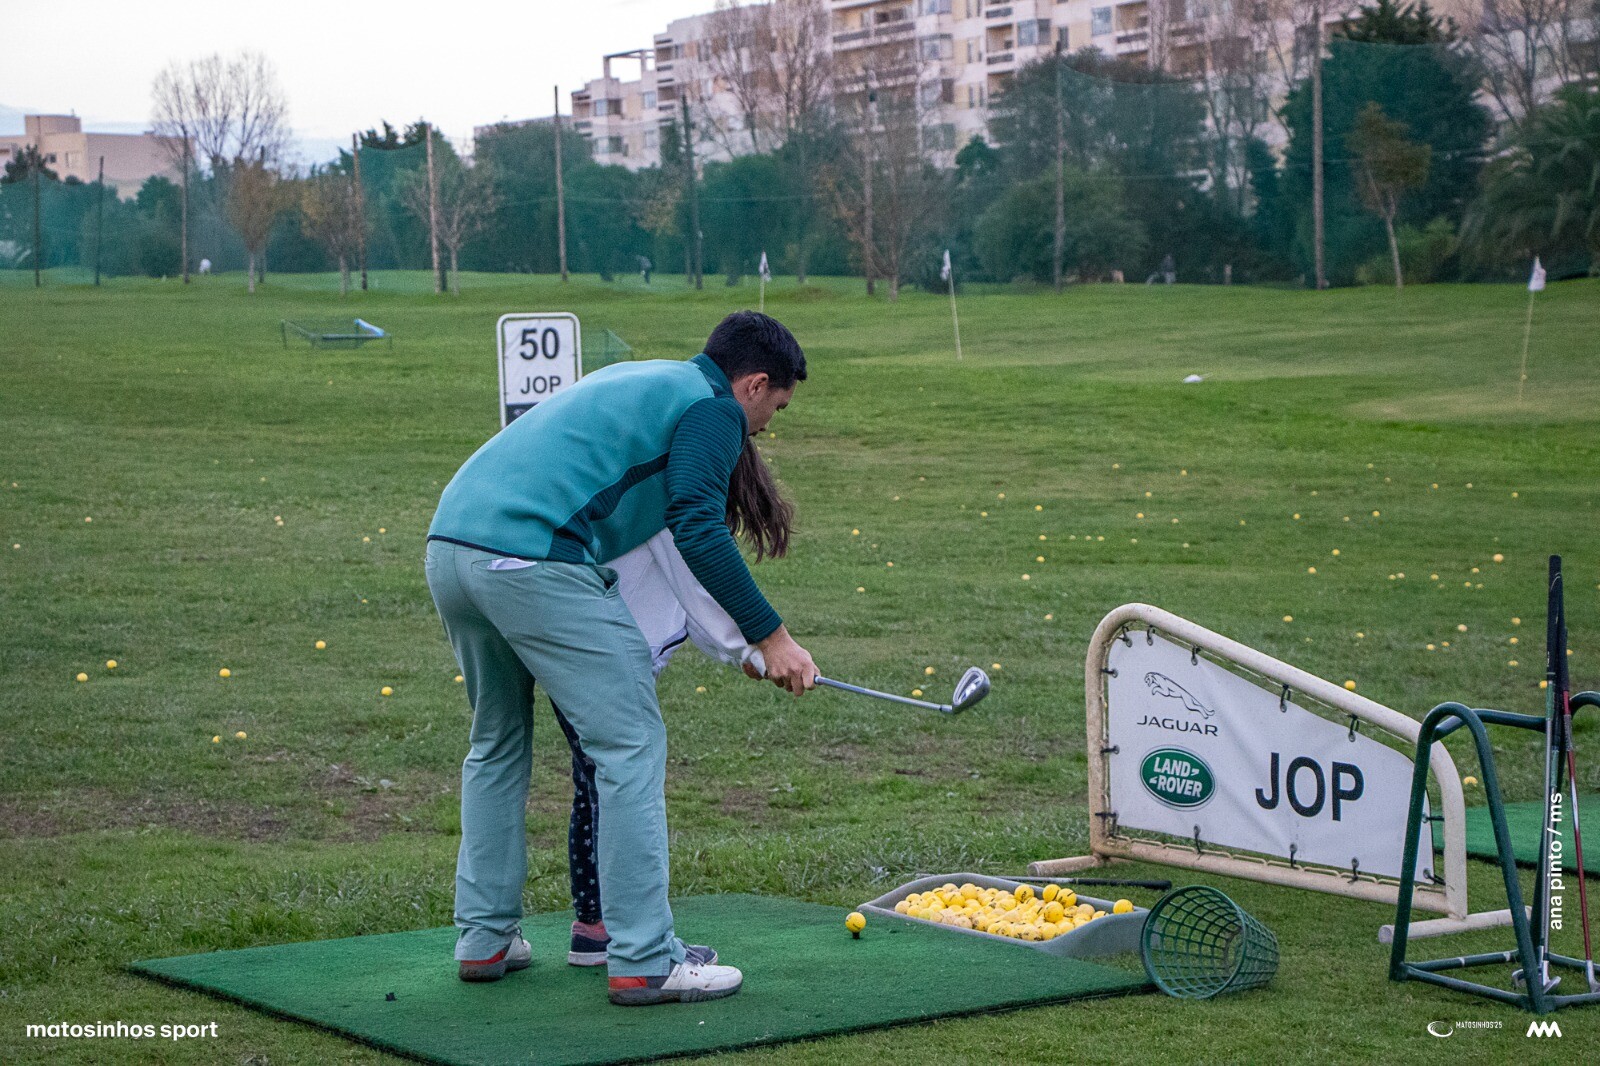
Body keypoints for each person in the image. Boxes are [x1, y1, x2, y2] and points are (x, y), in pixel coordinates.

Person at [425, 311, 817, 1005]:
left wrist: (742, 643)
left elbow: (666, 536)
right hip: (531, 557)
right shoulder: (713, 408)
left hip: (451, 547)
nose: (764, 429)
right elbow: (697, 526)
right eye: (775, 409)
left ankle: (484, 939)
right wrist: (771, 637)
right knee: (630, 745)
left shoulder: (650, 381)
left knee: (497, 743)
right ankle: (643, 959)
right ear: (754, 384)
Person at [560, 438, 790, 967]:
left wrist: (749, 656)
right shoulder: (669, 513)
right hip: (598, 658)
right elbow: (702, 591)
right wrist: (759, 647)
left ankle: (596, 928)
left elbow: (692, 610)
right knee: (618, 787)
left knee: (593, 785)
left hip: (586, 653)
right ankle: (626, 938)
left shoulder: (654, 504)